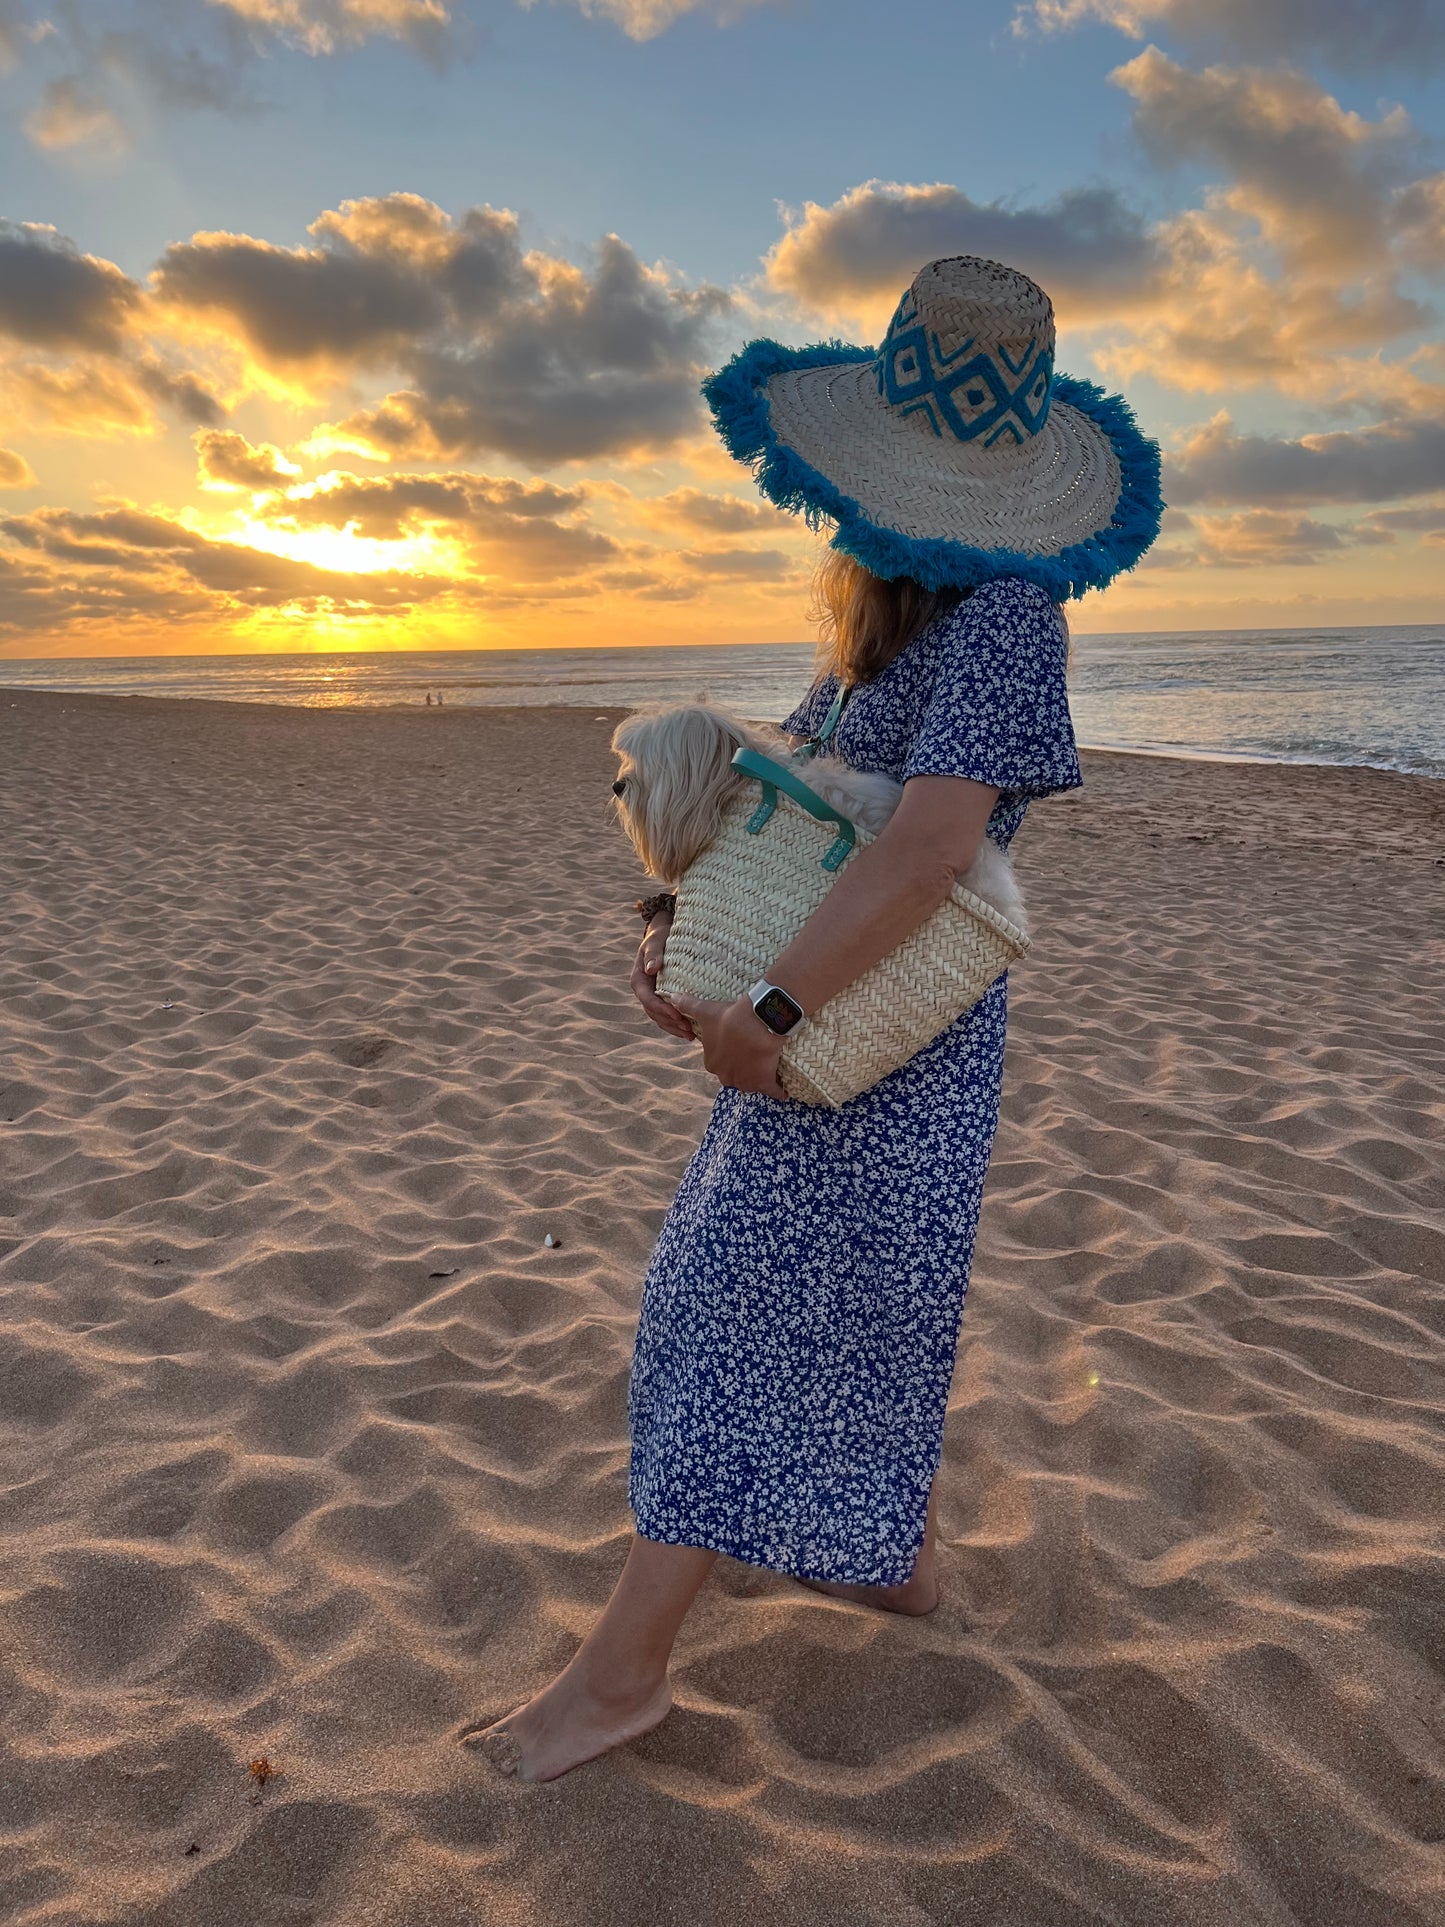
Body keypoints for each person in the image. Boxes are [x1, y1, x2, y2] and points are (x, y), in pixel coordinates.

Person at [473, 255, 1163, 1784]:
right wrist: (681, 929)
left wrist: (771, 1004)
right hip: (814, 1006)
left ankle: (624, 1675)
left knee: (743, 1316)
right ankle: (884, 1561)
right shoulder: (878, 604)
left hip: (878, 1038)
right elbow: (793, 794)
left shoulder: (1006, 617)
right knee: (811, 1313)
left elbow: (931, 850)